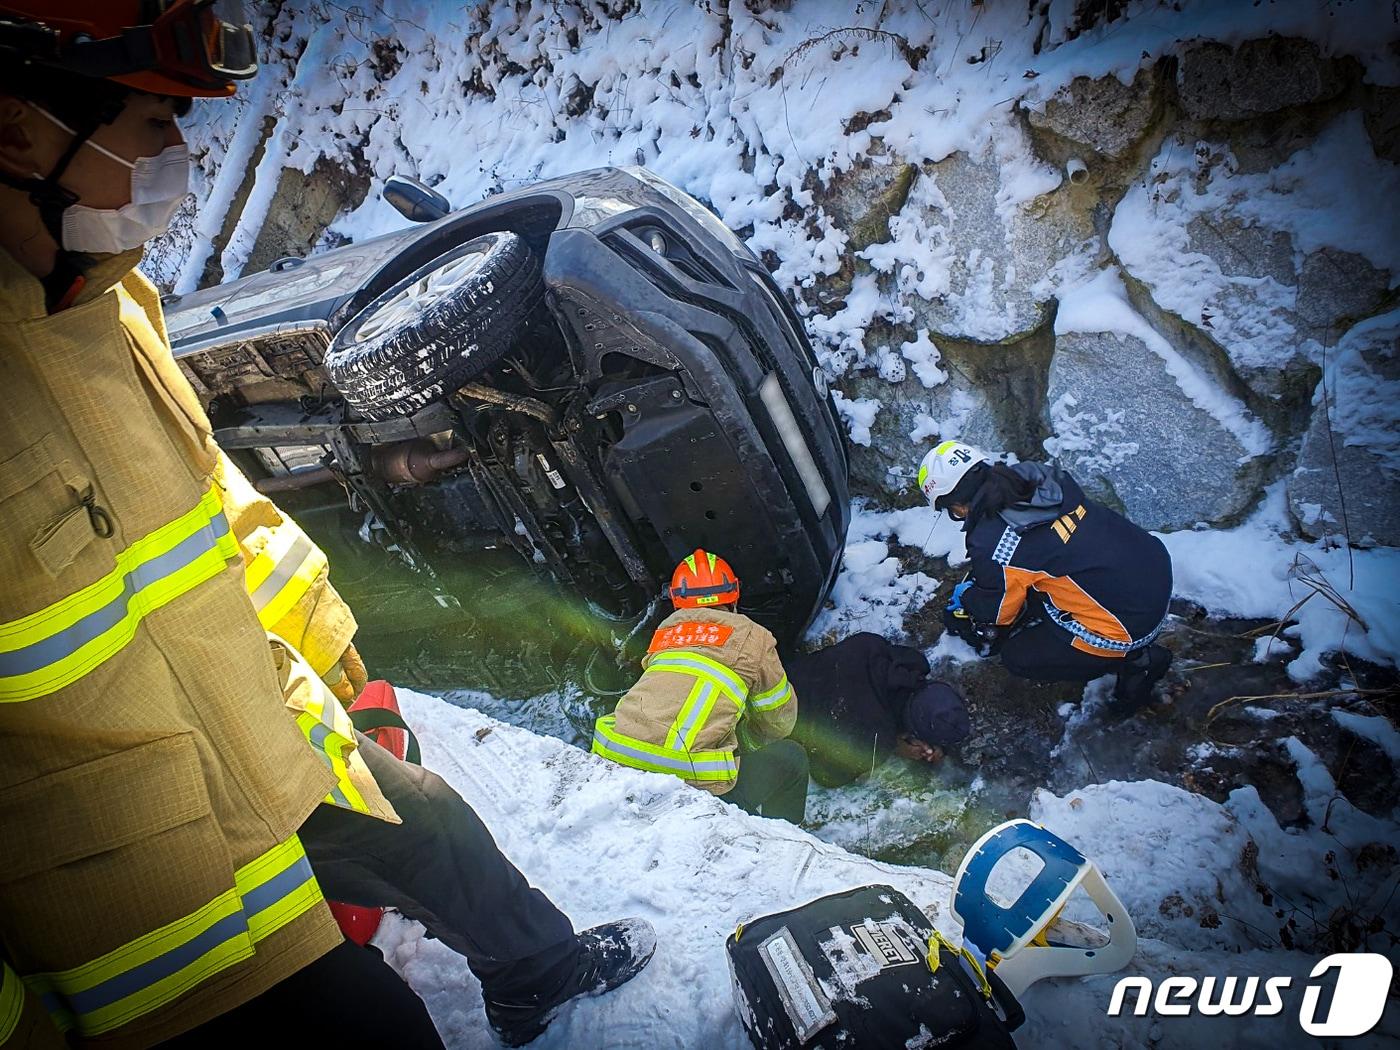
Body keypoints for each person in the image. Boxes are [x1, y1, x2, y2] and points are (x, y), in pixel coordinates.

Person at [0, 6, 650, 1048]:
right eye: (153, 123)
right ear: (16, 127)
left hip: (244, 719)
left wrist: (318, 632)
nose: (178, 156)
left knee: (427, 820)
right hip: (129, 894)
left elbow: (205, 498)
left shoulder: (112, 306)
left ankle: (535, 970)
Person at [918, 440, 1173, 709]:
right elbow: (1036, 554)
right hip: (1151, 569)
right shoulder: (1034, 477)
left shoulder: (992, 541)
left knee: (1018, 657)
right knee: (1032, 582)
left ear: (957, 505)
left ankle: (1136, 661)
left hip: (1127, 626)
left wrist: (969, 599)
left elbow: (996, 612)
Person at [592, 549, 808, 822]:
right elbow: (778, 720)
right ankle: (781, 840)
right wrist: (745, 742)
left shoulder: (666, 631)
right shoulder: (754, 637)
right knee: (792, 759)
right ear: (734, 596)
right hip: (689, 780)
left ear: (677, 601)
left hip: (615, 760)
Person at [786, 632, 971, 788]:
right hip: (773, 717)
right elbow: (827, 778)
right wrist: (893, 746)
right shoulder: (871, 738)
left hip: (782, 675)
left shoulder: (891, 656)